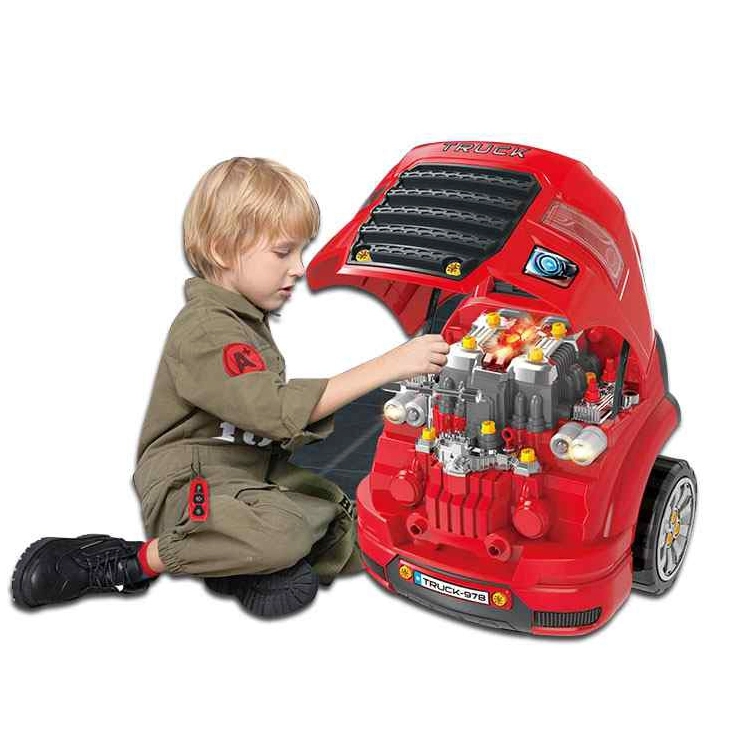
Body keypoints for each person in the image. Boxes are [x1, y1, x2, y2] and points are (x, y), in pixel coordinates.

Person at [11, 157, 449, 618]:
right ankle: (129, 561)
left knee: (361, 532)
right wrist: (388, 365)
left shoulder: (243, 320)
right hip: (192, 480)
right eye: (283, 252)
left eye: (300, 252)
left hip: (250, 473)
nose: (298, 268)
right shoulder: (206, 328)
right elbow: (272, 411)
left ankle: (241, 564)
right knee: (283, 536)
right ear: (224, 250)